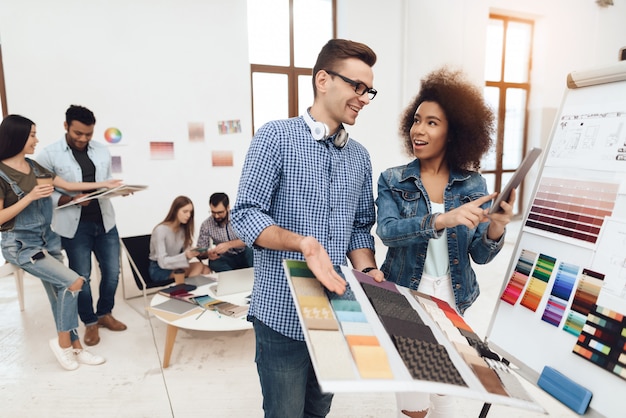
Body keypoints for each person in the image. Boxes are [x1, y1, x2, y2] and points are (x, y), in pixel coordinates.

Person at [231, 38, 384, 418]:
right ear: (323, 80)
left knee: (318, 410)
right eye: (357, 87)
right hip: (281, 313)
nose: (364, 98)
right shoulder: (276, 137)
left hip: (336, 313)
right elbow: (247, 214)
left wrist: (366, 270)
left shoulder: (360, 157)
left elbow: (360, 229)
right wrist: (304, 244)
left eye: (370, 91)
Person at [375, 67, 516, 418]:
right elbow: (389, 231)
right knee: (413, 403)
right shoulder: (393, 179)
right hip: (404, 295)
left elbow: (479, 256)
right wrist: (442, 219)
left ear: (454, 132)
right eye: (417, 120)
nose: (419, 130)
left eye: (432, 122)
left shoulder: (472, 185)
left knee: (444, 392)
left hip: (453, 298)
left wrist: (496, 227)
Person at [0, 114, 120, 370]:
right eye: (32, 134)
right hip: (22, 246)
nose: (36, 139)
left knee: (60, 295)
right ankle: (64, 344)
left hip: (49, 240)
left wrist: (106, 185)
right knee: (75, 281)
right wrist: (30, 196)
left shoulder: (34, 167)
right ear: (18, 136)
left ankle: (77, 348)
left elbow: (67, 185)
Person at [37, 105, 126, 347]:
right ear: (66, 126)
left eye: (88, 134)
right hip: (75, 227)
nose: (83, 139)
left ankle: (104, 313)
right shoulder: (48, 154)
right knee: (81, 277)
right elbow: (45, 192)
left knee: (112, 273)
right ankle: (89, 322)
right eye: (78, 133)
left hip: (105, 221)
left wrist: (119, 191)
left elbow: (103, 184)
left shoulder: (101, 150)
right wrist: (68, 199)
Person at [149, 195, 210, 282]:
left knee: (206, 269)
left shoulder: (182, 230)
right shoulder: (160, 230)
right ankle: (186, 290)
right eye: (185, 211)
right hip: (159, 269)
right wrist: (185, 255)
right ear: (175, 211)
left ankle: (188, 290)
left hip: (175, 265)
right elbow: (162, 262)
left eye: (190, 212)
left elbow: (184, 257)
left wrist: (192, 253)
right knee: (199, 267)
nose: (188, 215)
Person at [196, 192, 253, 272]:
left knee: (252, 251)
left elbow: (253, 239)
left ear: (228, 208)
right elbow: (201, 251)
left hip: (245, 253)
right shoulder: (206, 225)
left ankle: (255, 276)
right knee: (214, 262)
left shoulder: (240, 217)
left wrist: (228, 245)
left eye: (220, 212)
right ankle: (231, 279)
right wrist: (208, 254)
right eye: (213, 212)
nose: (216, 216)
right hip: (226, 258)